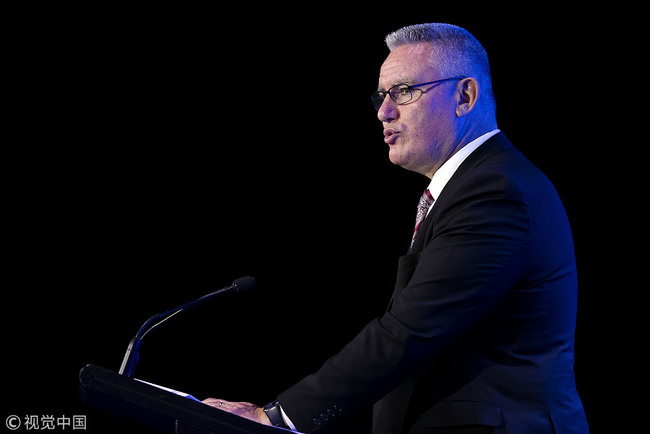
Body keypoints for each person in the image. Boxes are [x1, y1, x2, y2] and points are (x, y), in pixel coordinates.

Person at [204, 23, 589, 434]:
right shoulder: (475, 186)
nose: (383, 112)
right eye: (381, 96)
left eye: (403, 92)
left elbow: (410, 331)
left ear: (465, 96)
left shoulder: (496, 190)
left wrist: (278, 418)